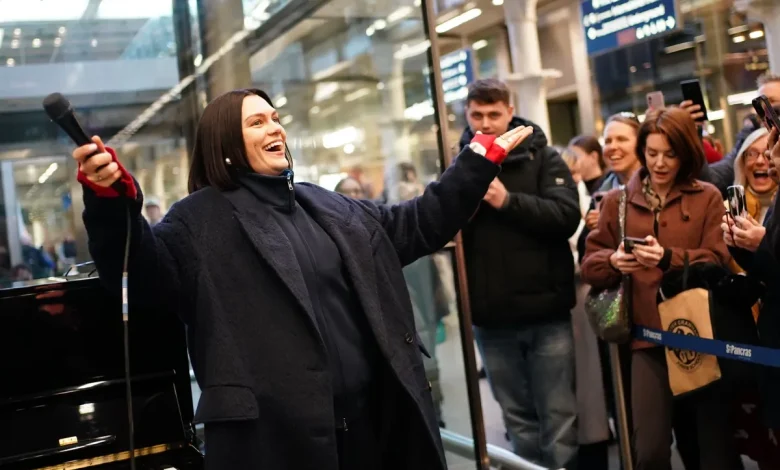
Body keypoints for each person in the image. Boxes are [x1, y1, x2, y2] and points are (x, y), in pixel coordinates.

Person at [70, 87, 533, 470]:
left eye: (275, 118)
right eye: (257, 122)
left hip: (376, 431)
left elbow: (418, 223)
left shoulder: (328, 205)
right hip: (276, 446)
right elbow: (139, 274)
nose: (275, 128)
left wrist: (475, 163)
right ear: (224, 143)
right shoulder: (197, 222)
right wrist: (113, 204)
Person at [581, 107, 734, 470]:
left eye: (670, 153)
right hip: (645, 339)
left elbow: (717, 259)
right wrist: (615, 262)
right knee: (648, 451)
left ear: (686, 153)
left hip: (700, 334)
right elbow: (590, 264)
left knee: (712, 450)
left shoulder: (707, 196)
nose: (661, 163)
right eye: (652, 153)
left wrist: (667, 258)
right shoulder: (617, 201)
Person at [457, 79, 581, 469]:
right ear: (467, 115)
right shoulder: (460, 163)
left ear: (510, 112)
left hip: (547, 315)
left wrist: (506, 200)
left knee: (559, 420)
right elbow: (441, 228)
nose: (486, 123)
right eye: (477, 115)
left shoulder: (545, 157)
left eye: (494, 114)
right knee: (518, 425)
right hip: (491, 319)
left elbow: (565, 216)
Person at [708, 73, 780, 194]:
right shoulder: (747, 138)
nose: (764, 110)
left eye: (771, 101)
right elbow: (717, 176)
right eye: (760, 104)